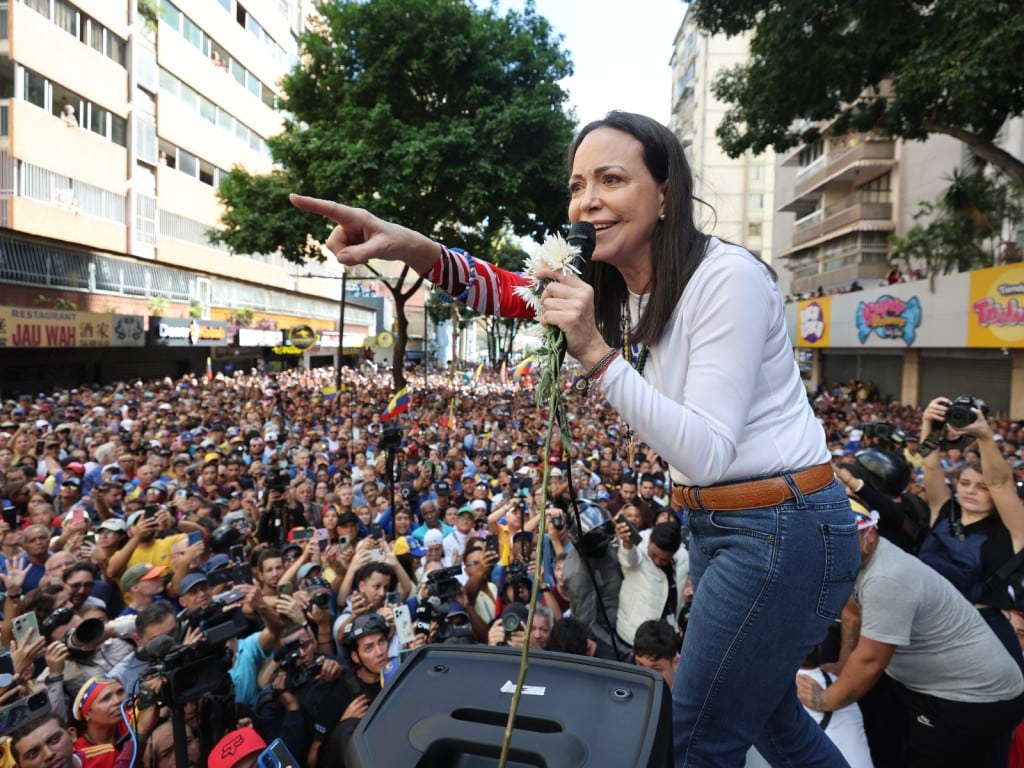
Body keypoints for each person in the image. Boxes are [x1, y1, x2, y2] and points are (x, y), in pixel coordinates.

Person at [290, 108, 860, 767]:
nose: (588, 200)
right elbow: (507, 290)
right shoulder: (621, 284)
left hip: (780, 532)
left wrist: (592, 349)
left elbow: (705, 452)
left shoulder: (724, 278)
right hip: (730, 529)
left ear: (667, 191)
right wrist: (406, 244)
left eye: (612, 179)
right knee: (775, 724)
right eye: (577, 184)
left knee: (698, 742)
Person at [797, 504, 1024, 767]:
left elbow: (871, 661)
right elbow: (853, 615)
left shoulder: (886, 578)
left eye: (843, 537)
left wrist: (825, 699)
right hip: (953, 688)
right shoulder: (859, 561)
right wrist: (845, 664)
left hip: (972, 698)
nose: (833, 546)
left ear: (870, 534)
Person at [916, 397, 1024, 666]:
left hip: (980, 637)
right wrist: (929, 424)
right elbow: (930, 465)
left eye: (981, 486)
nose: (970, 490)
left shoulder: (1012, 529)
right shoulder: (943, 510)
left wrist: (985, 437)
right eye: (964, 483)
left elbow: (1000, 483)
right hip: (926, 625)